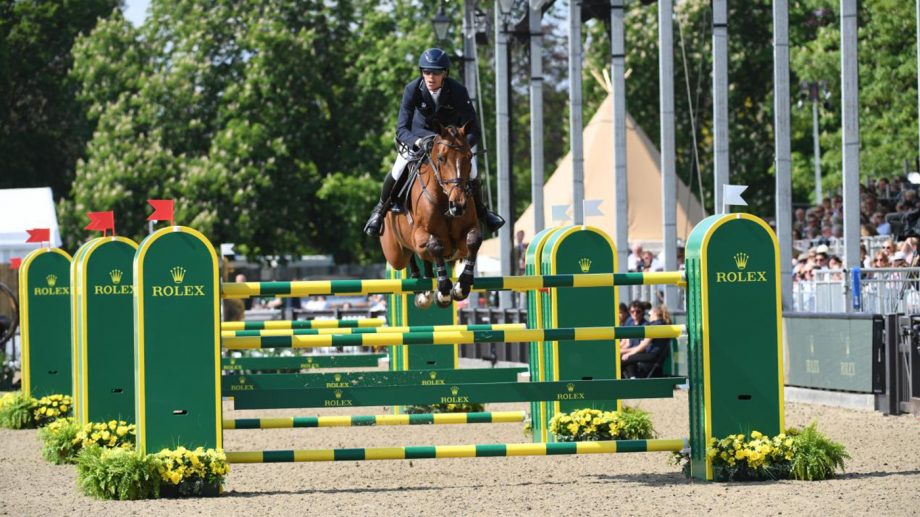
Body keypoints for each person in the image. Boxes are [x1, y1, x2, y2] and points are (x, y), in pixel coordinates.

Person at [363, 48, 504, 237]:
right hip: (420, 140)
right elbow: (401, 128)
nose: (431, 77)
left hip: (450, 145)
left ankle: (483, 212)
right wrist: (418, 142)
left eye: (436, 72)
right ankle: (379, 212)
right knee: (398, 168)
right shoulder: (412, 89)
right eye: (426, 72)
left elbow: (474, 129)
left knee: (473, 170)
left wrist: (462, 148)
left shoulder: (457, 91)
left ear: (445, 73)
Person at [621, 304, 672, 378]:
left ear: (654, 314)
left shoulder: (654, 326)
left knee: (625, 359)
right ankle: (633, 377)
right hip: (656, 356)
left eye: (650, 314)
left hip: (652, 355)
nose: (649, 316)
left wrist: (629, 353)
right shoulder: (663, 324)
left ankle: (633, 379)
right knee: (629, 359)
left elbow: (644, 344)